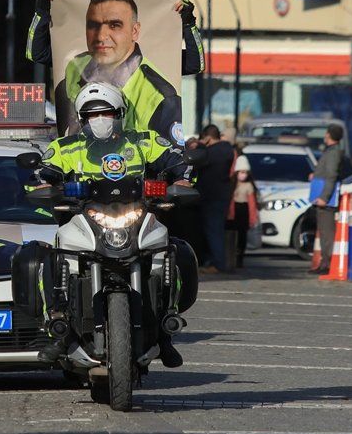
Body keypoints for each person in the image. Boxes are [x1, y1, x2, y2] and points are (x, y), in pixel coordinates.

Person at [35, 83, 192, 366]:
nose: (100, 119)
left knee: (175, 251)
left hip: (136, 217)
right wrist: (45, 183)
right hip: (85, 220)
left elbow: (176, 162)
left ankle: (165, 329)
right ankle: (59, 329)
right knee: (50, 258)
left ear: (120, 113)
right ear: (82, 119)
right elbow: (45, 172)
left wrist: (181, 179)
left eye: (106, 112)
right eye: (93, 115)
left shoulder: (144, 141)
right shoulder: (66, 146)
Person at [26, 0, 204, 142]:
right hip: (79, 171)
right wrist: (41, 12)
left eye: (115, 25)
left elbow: (195, 64)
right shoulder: (75, 65)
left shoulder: (161, 96)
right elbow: (37, 54)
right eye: (94, 25)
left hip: (130, 175)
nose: (101, 36)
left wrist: (188, 23)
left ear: (135, 31)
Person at [190, 124, 234, 274]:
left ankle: (218, 264)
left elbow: (199, 161)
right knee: (214, 230)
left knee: (213, 231)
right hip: (222, 195)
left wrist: (199, 146)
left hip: (212, 196)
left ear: (208, 138)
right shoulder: (228, 150)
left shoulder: (212, 152)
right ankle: (213, 261)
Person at [308, 123, 350, 274]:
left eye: (326, 134)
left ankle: (328, 264)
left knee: (327, 232)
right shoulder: (332, 151)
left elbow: (331, 175)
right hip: (324, 194)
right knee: (324, 231)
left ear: (329, 135)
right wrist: (316, 175)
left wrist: (324, 197)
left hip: (327, 198)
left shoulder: (333, 153)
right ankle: (325, 262)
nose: (324, 136)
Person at [229, 154, 259, 269]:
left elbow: (252, 204)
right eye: (241, 172)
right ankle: (231, 257)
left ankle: (240, 257)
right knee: (231, 236)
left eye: (245, 172)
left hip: (244, 211)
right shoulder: (232, 185)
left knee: (242, 236)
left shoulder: (249, 186)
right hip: (233, 211)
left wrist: (253, 218)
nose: (243, 174)